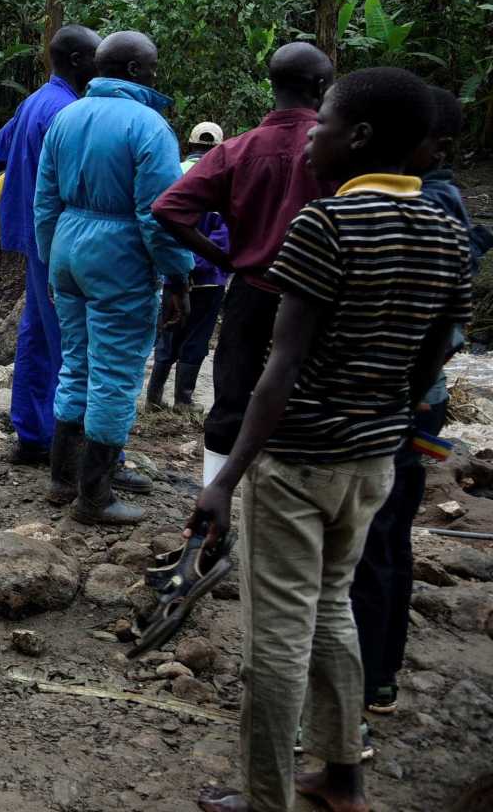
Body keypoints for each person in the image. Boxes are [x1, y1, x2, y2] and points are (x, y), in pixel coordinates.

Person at [186, 68, 473, 812]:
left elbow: (278, 371)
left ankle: (264, 795)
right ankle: (343, 773)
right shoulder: (447, 230)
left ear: (362, 139)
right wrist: (382, 416)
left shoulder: (326, 226)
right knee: (333, 607)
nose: (309, 137)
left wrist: (223, 480)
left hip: (298, 462)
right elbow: (435, 354)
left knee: (275, 636)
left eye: (324, 125)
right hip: (373, 462)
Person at [350, 85, 485, 721]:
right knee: (386, 536)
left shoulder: (430, 209)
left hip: (398, 403)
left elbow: (439, 327)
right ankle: (378, 670)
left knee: (378, 537)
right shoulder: (439, 201)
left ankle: (370, 674)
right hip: (407, 399)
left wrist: (400, 396)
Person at [154, 43, 336, 485]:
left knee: (232, 397)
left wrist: (228, 259)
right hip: (322, 295)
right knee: (317, 395)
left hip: (252, 288)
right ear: (321, 87)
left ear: (271, 86)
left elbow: (168, 208)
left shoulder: (237, 150)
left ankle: (211, 510)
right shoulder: (341, 152)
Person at [33, 30, 192, 524]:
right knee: (116, 373)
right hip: (119, 254)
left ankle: (62, 479)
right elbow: (159, 213)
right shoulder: (149, 126)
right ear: (132, 71)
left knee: (77, 363)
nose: (156, 75)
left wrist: (50, 261)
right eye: (151, 67)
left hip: (67, 248)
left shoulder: (67, 117)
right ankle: (95, 496)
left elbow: (45, 201)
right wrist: (178, 276)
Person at [0, 25, 102, 465]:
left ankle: (32, 434)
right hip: (54, 238)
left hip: (28, 235)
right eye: (95, 55)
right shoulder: (67, 112)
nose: (100, 62)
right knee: (69, 341)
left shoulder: (35, 102)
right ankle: (79, 451)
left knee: (35, 334)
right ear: (75, 60)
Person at [147, 122, 232, 411]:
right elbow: (224, 237)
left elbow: (160, 224)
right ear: (220, 146)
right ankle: (183, 401)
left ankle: (153, 398)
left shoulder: (173, 173)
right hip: (209, 278)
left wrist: (178, 265)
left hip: (173, 274)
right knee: (196, 336)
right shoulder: (224, 180)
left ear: (190, 144)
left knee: (169, 331)